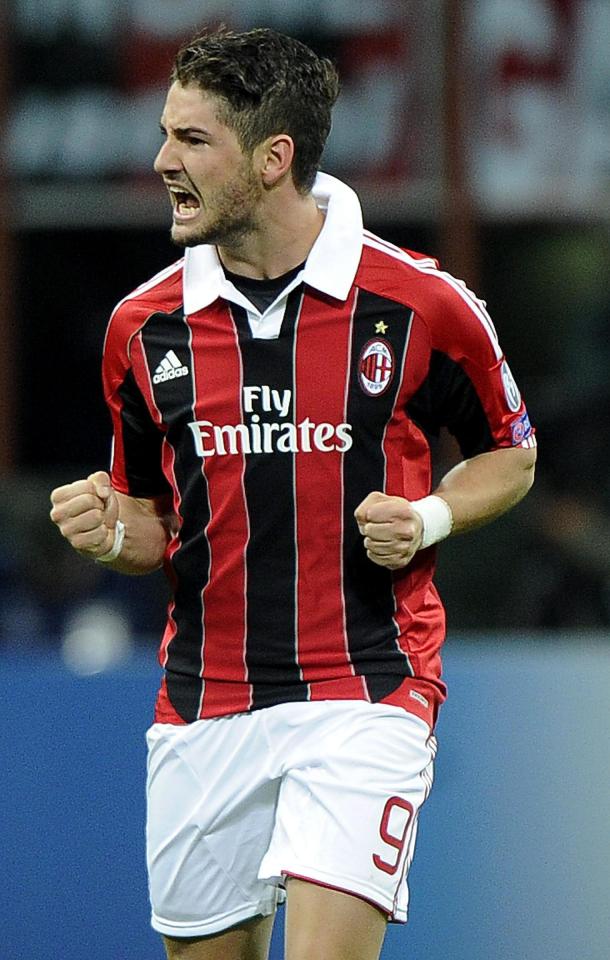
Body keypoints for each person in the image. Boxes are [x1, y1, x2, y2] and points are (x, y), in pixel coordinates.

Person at [50, 26, 537, 960]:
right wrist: (114, 534)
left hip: (366, 695)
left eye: (192, 141)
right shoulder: (141, 329)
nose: (160, 161)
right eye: (165, 133)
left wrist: (430, 514)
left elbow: (510, 454)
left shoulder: (420, 304)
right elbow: (157, 522)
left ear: (274, 159)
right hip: (204, 706)